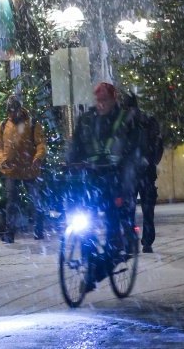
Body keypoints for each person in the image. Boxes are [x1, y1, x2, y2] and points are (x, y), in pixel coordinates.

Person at [67, 81, 133, 290]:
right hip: (92, 179)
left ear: (114, 100)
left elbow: (131, 148)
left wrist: (125, 165)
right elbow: (74, 145)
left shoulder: (123, 120)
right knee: (84, 220)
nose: (101, 104)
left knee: (113, 219)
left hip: (115, 179)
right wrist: (69, 162)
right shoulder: (86, 121)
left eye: (105, 100)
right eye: (99, 100)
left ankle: (106, 261)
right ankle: (91, 260)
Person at [0, 95, 47, 242]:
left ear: (19, 109)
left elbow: (40, 143)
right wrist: (2, 160)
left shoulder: (32, 123)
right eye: (9, 111)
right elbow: (0, 146)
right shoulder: (4, 124)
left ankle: (39, 229)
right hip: (11, 170)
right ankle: (9, 233)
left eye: (13, 111)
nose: (11, 114)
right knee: (11, 202)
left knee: (35, 200)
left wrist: (38, 157)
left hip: (29, 170)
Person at [123, 93, 164, 254]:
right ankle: (147, 241)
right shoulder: (148, 121)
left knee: (128, 209)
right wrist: (152, 160)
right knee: (148, 209)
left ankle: (129, 242)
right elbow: (158, 143)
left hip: (130, 173)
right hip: (146, 171)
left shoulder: (123, 123)